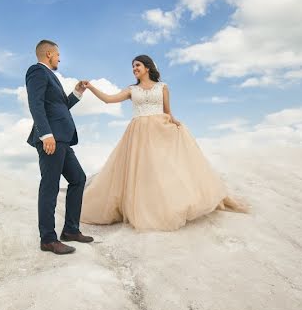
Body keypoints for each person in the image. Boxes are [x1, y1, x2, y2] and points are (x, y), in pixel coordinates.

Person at [80, 55, 250, 231]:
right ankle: (143, 207)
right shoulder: (132, 89)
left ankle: (170, 205)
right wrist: (91, 87)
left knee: (162, 168)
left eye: (137, 65)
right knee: (143, 170)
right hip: (138, 132)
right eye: (132, 66)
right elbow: (109, 99)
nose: (134, 69)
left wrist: (175, 123)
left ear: (147, 67)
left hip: (159, 130)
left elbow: (167, 112)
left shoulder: (162, 87)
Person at [25, 39, 95, 254]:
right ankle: (47, 238)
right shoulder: (37, 72)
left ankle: (71, 230)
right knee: (50, 185)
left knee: (78, 179)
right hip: (51, 138)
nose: (59, 58)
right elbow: (35, 103)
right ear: (48, 54)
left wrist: (77, 92)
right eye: (57, 55)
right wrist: (46, 134)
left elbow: (60, 106)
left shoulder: (50, 76)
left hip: (62, 138)